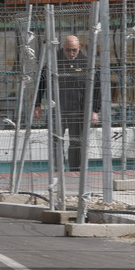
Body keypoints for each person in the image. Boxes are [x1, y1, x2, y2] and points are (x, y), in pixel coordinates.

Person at [35, 35, 100, 170]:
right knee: (55, 141)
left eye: (74, 50)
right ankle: (57, 169)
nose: (71, 53)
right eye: (68, 50)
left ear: (79, 48)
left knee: (76, 142)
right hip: (57, 109)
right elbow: (40, 85)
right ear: (63, 48)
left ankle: (75, 170)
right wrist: (37, 105)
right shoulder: (53, 63)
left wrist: (95, 110)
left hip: (78, 109)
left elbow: (97, 88)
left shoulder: (86, 63)